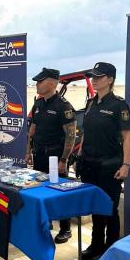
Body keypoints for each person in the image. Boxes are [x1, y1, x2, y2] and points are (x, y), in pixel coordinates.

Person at [76, 62, 130, 260]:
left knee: (109, 208)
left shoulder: (119, 105)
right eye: (93, 76)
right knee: (95, 207)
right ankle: (96, 245)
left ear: (110, 79)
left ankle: (110, 250)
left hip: (110, 164)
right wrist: (80, 153)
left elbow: (127, 136)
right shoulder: (91, 103)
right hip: (90, 163)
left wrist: (126, 165)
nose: (95, 80)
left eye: (99, 77)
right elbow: (85, 132)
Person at [25, 68, 77, 243]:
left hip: (55, 158)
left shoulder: (63, 106)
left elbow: (71, 135)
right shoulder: (38, 104)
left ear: (53, 83)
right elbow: (31, 131)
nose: (37, 84)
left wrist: (64, 160)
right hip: (39, 155)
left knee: (59, 192)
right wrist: (28, 151)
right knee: (40, 190)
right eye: (37, 82)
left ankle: (65, 228)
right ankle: (45, 223)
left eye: (41, 81)